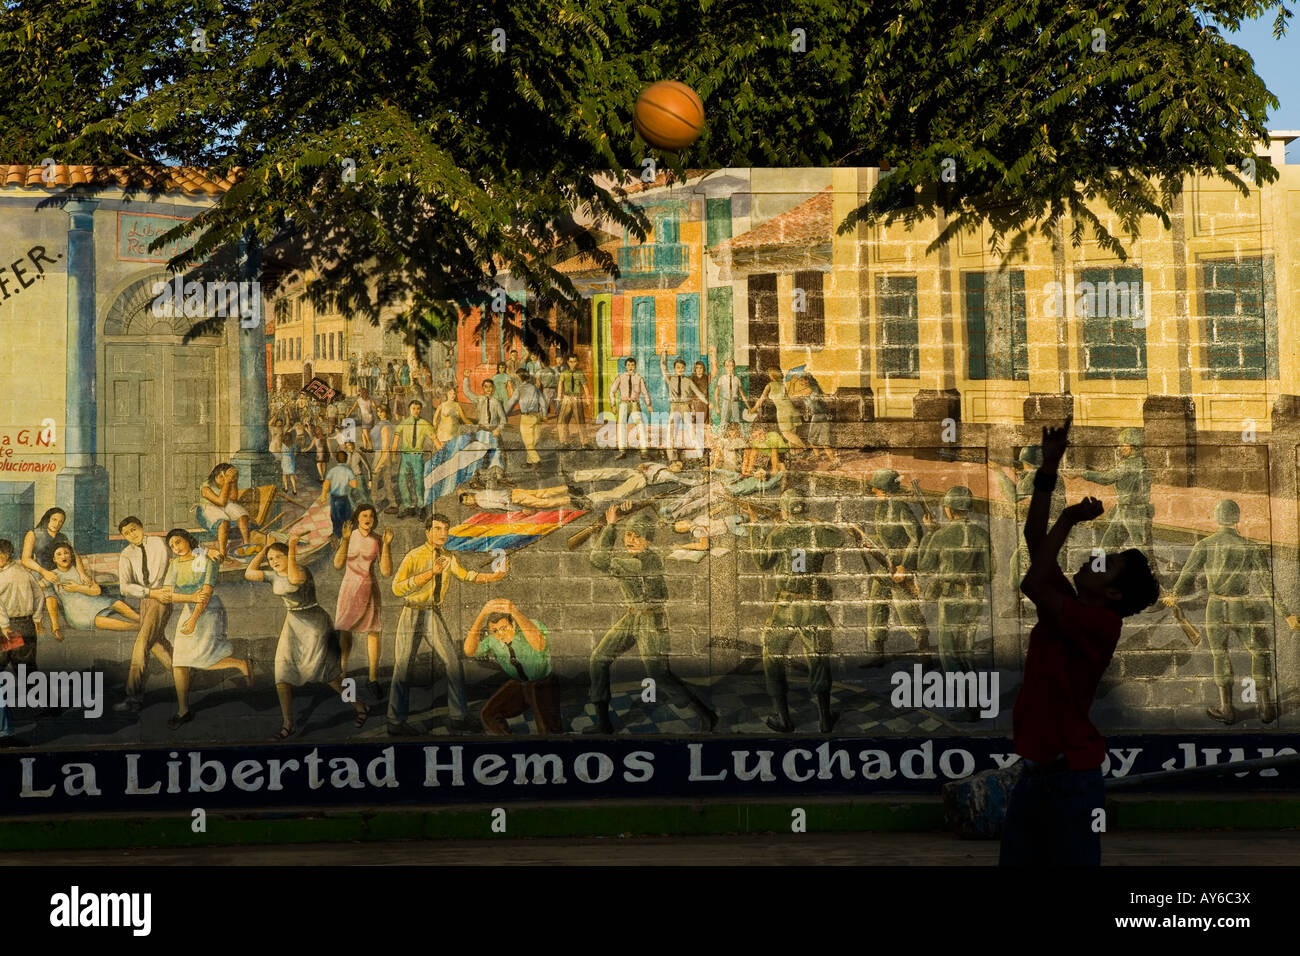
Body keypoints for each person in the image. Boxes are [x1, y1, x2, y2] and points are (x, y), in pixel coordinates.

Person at [999, 416, 1160, 867]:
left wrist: (1069, 518)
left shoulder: (1099, 625)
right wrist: (1048, 470)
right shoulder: (1071, 607)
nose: (1095, 559)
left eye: (1105, 564)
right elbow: (1035, 539)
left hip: (1070, 778)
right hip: (1041, 775)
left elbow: (1033, 580)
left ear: (1112, 593)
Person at [1163, 499, 1299, 725]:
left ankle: (1227, 709)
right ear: (1237, 519)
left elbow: (1187, 576)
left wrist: (1174, 595)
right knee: (1259, 651)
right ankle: (1265, 708)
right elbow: (1267, 586)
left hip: (1215, 607)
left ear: (1217, 518)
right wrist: (1286, 614)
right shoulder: (1251, 547)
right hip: (1241, 606)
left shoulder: (1205, 545)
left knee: (1220, 654)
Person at [587, 508, 717, 734]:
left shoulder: (646, 561)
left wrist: (611, 525)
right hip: (632, 616)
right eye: (628, 535)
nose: (631, 540)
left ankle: (705, 714)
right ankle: (603, 722)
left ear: (648, 541)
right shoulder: (633, 558)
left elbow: (598, 558)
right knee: (598, 659)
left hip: (651, 621)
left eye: (638, 536)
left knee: (658, 674)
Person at [387, 513, 508, 735]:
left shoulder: (448, 557)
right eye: (437, 529)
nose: (442, 534)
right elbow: (397, 588)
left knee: (453, 663)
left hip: (432, 614)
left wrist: (494, 577)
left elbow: (466, 575)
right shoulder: (414, 556)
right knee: (403, 666)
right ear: (427, 532)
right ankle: (395, 722)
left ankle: (458, 716)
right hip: (412, 613)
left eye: (445, 529)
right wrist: (429, 574)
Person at [247, 536, 370, 739]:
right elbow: (249, 573)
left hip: (315, 625)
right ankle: (288, 724)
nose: (274, 561)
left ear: (289, 556)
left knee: (329, 674)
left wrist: (293, 547)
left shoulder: (301, 570)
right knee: (282, 672)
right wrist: (264, 549)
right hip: (293, 624)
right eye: (271, 559)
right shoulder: (273, 575)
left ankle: (360, 706)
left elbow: (294, 579)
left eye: (279, 556)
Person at [744, 490, 844, 732]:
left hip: (786, 605)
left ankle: (783, 717)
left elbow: (762, 562)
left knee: (772, 656)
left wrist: (755, 526)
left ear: (785, 509)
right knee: (819, 660)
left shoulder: (778, 534)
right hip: (813, 605)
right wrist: (816, 523)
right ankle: (824, 719)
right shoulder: (816, 532)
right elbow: (839, 538)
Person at [158, 529, 252, 730]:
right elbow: (167, 594)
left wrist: (193, 618)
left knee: (202, 659)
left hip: (209, 612)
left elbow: (206, 593)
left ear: (188, 541)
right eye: (172, 545)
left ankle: (239, 663)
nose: (176, 548)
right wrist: (190, 601)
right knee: (180, 662)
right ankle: (183, 711)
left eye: (178, 542)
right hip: (189, 609)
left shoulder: (207, 559)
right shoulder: (174, 564)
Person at [918, 487, 992, 719]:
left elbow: (924, 565)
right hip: (975, 597)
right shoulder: (982, 534)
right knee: (966, 651)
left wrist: (929, 534)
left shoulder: (942, 536)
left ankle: (968, 706)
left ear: (949, 510)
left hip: (952, 599)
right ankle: (976, 704)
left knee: (949, 653)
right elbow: (990, 573)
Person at [857, 469, 932, 668]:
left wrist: (905, 567)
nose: (873, 490)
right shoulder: (880, 508)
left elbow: (916, 538)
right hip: (887, 562)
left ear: (884, 489)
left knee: (905, 608)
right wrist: (868, 539)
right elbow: (884, 536)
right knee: (876, 604)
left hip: (900, 564)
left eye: (877, 487)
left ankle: (925, 655)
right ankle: (878, 652)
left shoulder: (900, 508)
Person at [465, 598, 561, 735]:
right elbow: (469, 651)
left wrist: (514, 612)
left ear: (513, 625)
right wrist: (481, 615)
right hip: (520, 684)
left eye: (504, 628)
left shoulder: (530, 626)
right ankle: (509, 744)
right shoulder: (493, 641)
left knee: (548, 730)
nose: (500, 634)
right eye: (495, 631)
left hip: (542, 683)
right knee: (488, 714)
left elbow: (539, 645)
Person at [113, 516, 176, 713]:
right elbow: (125, 587)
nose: (132, 535)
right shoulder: (126, 555)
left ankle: (133, 697)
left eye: (134, 529)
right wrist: (149, 593)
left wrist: (207, 554)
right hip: (146, 599)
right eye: (127, 533)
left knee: (141, 644)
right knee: (156, 643)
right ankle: (183, 674)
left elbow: (187, 547)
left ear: (141, 527)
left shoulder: (158, 542)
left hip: (162, 598)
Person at [333, 505, 395, 701]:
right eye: (364, 515)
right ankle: (342, 675)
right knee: (345, 633)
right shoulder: (349, 536)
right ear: (357, 518)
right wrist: (343, 540)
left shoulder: (378, 539)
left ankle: (373, 678)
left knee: (373, 633)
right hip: (349, 588)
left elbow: (386, 572)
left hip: (368, 588)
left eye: (371, 515)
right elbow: (337, 564)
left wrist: (386, 545)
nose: (368, 518)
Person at [1072, 426, 1153, 552]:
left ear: (1132, 446)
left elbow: (1106, 478)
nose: (1120, 448)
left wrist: (1082, 473)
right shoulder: (1142, 462)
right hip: (1125, 511)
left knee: (1144, 552)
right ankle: (1097, 570)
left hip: (1134, 513)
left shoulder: (1128, 465)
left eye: (1123, 445)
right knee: (1107, 546)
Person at [21, 507, 88, 634]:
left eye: (61, 522)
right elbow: (25, 559)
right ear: (47, 518)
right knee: (48, 590)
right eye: (54, 519)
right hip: (39, 570)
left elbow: (74, 555)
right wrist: (44, 572)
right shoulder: (34, 533)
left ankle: (81, 618)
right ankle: (53, 626)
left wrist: (82, 573)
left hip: (59, 571)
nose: (57, 524)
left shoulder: (62, 537)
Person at [49, 544, 140, 633]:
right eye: (59, 554)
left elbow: (97, 590)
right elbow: (45, 592)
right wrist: (55, 625)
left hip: (92, 602)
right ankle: (138, 627)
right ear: (54, 559)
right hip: (76, 611)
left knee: (118, 603)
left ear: (71, 556)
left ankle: (142, 620)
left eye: (66, 553)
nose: (63, 556)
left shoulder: (79, 571)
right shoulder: (51, 575)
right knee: (99, 620)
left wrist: (77, 587)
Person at [0, 537, 44, 676]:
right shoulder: (24, 572)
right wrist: (37, 619)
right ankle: (39, 696)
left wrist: (5, 626)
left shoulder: (2, 577)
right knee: (26, 667)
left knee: (3, 660)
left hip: (7, 627)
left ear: (2, 557)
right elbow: (39, 595)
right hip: (27, 624)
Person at [660, 354, 707, 464]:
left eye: (682, 367)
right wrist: (664, 353)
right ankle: (671, 457)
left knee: (691, 430)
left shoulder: (688, 381)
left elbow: (698, 393)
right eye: (678, 367)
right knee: (672, 431)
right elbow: (663, 366)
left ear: (684, 368)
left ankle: (700, 455)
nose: (680, 369)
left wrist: (707, 402)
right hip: (674, 406)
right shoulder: (670, 379)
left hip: (685, 407)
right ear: (674, 368)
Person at [199, 463, 252, 560]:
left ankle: (246, 544)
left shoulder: (228, 482)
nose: (224, 480)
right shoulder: (206, 487)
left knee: (242, 515)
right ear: (215, 476)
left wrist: (234, 481)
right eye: (221, 477)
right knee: (223, 522)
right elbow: (221, 502)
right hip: (208, 507)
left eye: (226, 477)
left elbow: (233, 498)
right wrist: (227, 482)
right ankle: (222, 554)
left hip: (224, 506)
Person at [393, 399, 435, 518]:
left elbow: (435, 439)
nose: (416, 411)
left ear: (420, 410)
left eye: (418, 409)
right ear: (409, 410)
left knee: (419, 482)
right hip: (405, 456)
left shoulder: (425, 424)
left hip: (417, 457)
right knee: (402, 482)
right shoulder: (404, 423)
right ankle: (409, 507)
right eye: (413, 409)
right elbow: (396, 440)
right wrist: (393, 455)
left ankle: (421, 507)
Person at [502, 368, 547, 470]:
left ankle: (536, 461)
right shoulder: (535, 388)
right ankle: (529, 462)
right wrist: (544, 414)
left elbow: (510, 403)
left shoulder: (519, 389)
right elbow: (543, 402)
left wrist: (503, 415)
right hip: (537, 417)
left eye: (517, 377)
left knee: (528, 442)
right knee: (533, 442)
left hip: (526, 418)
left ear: (519, 378)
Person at [609, 358, 653, 460]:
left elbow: (645, 392)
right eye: (628, 365)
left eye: (632, 365)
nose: (630, 367)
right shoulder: (620, 378)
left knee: (640, 425)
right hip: (624, 404)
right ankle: (622, 451)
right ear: (625, 366)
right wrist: (613, 405)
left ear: (635, 366)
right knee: (621, 426)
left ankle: (643, 451)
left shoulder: (639, 378)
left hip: (635, 404)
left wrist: (649, 405)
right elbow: (612, 391)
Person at [755, 369, 807, 451]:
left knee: (786, 433)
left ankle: (805, 448)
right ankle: (794, 453)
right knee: (792, 434)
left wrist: (753, 409)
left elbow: (762, 398)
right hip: (792, 410)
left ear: (772, 375)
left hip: (783, 412)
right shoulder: (782, 385)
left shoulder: (770, 385)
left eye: (769, 374)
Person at [319, 450, 358, 543]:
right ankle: (347, 537)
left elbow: (326, 484)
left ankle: (337, 536)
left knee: (335, 517)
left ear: (337, 460)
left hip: (334, 498)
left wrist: (323, 496)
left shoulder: (332, 471)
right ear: (346, 459)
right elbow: (354, 484)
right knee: (347, 517)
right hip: (344, 498)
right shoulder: (348, 470)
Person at [369, 403, 398, 514]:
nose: (380, 413)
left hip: (382, 455)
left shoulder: (386, 426)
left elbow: (385, 448)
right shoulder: (381, 424)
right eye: (378, 411)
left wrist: (377, 466)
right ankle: (393, 503)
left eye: (382, 411)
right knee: (387, 481)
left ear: (387, 412)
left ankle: (374, 505)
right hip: (380, 454)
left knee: (375, 480)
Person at [557, 354, 589, 446]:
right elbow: (560, 384)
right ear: (567, 362)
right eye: (571, 362)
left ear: (577, 362)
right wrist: (559, 396)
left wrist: (587, 398)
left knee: (580, 421)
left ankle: (584, 443)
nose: (573, 364)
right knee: (562, 421)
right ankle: (564, 442)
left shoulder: (580, 373)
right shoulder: (564, 373)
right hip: (566, 398)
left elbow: (585, 386)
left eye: (575, 361)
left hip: (576, 398)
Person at [712, 356, 751, 432]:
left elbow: (743, 395)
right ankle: (722, 438)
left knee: (737, 420)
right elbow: (716, 392)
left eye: (731, 366)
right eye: (727, 366)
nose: (730, 368)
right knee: (723, 421)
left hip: (735, 402)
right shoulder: (722, 379)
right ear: (724, 367)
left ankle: (741, 437)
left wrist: (749, 407)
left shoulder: (737, 379)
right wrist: (717, 406)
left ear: (734, 367)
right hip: (726, 402)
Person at [432, 385, 472, 450]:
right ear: (446, 394)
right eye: (450, 393)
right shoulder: (442, 405)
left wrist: (473, 425)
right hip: (443, 435)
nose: (452, 395)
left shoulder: (457, 405)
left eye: (454, 393)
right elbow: (435, 419)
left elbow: (464, 419)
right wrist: (435, 428)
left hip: (454, 435)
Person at [346, 387, 378, 452]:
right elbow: (352, 408)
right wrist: (347, 415)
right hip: (364, 418)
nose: (360, 394)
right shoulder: (359, 400)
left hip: (369, 418)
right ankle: (365, 447)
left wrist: (375, 405)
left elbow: (375, 407)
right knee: (363, 434)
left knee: (366, 433)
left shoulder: (369, 400)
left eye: (361, 393)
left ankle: (371, 447)